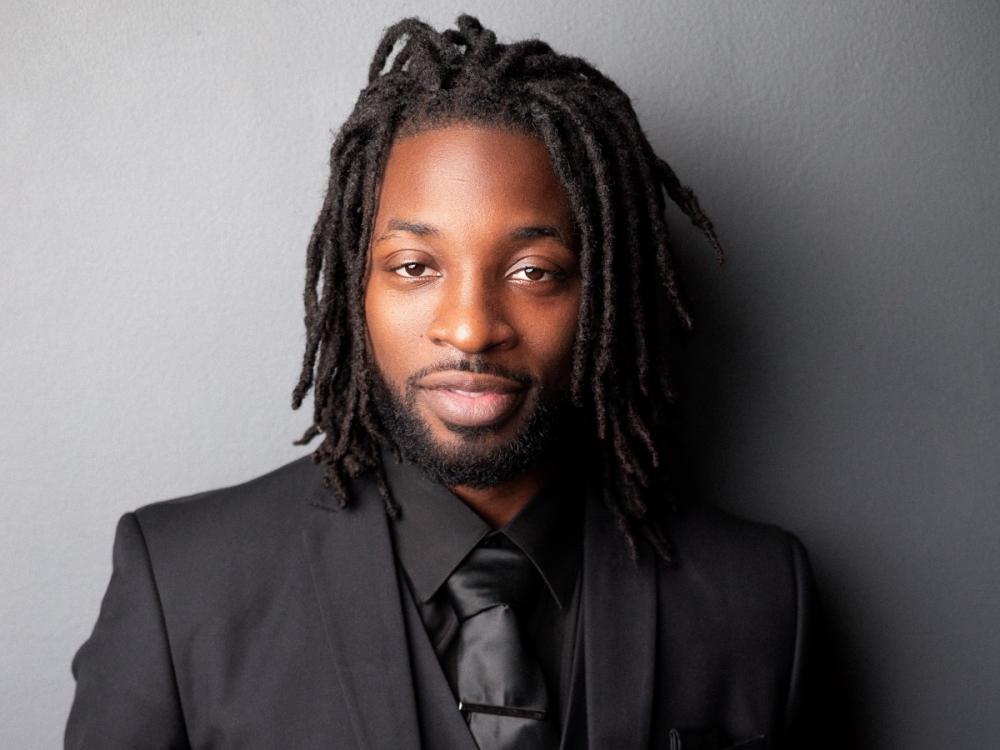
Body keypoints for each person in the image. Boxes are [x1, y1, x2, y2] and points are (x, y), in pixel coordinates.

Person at [66, 15, 825, 750]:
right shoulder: (181, 586)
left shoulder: (761, 598)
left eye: (535, 272)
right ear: (354, 288)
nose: (470, 327)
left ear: (606, 296)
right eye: (413, 267)